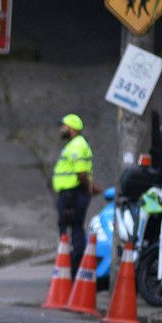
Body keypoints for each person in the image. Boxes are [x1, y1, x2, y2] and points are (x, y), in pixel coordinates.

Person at [52, 114, 101, 277]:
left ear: (72, 128)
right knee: (71, 227)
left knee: (73, 229)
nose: (61, 129)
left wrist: (89, 188)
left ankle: (71, 269)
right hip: (71, 193)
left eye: (63, 126)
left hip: (72, 194)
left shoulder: (77, 146)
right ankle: (69, 268)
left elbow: (81, 173)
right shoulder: (74, 144)